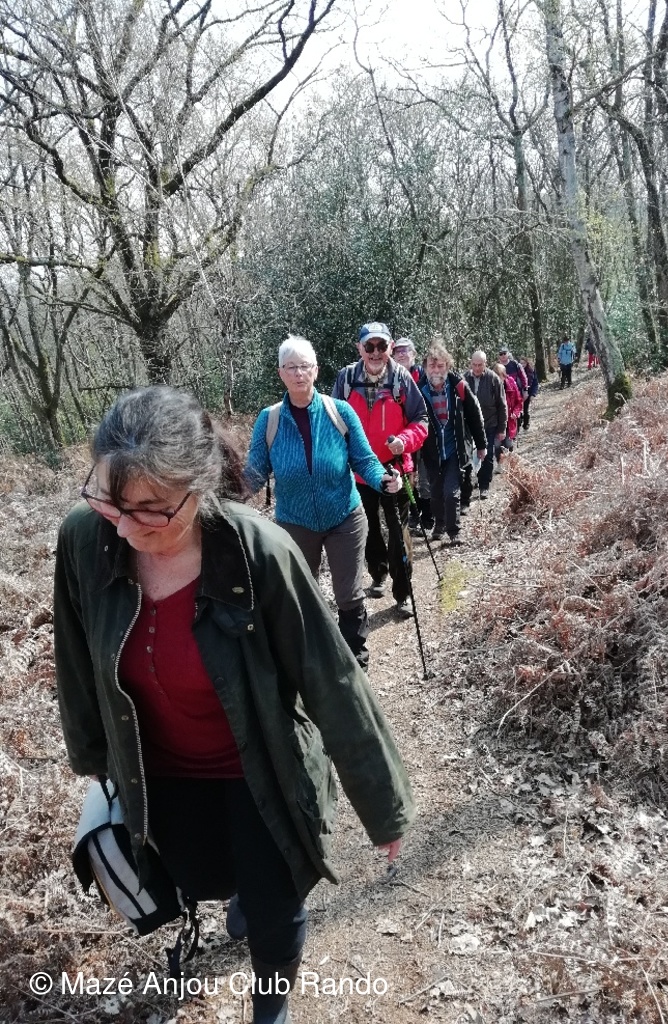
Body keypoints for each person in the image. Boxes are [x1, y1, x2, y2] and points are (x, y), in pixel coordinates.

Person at [53, 385, 415, 1024]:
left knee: (273, 902)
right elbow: (76, 655)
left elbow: (331, 679)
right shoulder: (86, 537)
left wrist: (384, 808)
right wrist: (94, 759)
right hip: (162, 769)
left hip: (260, 766)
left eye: (150, 511)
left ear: (199, 490)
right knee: (199, 874)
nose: (126, 527)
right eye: (111, 502)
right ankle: (242, 890)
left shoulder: (258, 552)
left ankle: (270, 1004)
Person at [244, 336, 402, 671]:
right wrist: (226, 496)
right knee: (302, 595)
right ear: (280, 373)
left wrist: (383, 480)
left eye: (304, 366)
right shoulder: (269, 420)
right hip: (295, 522)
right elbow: (254, 473)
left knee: (348, 594)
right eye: (290, 367)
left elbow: (365, 460)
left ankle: (356, 663)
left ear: (315, 370)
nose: (298, 373)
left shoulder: (339, 412)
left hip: (344, 516)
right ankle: (313, 664)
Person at [332, 322, 428, 618]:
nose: (375, 352)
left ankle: (403, 593)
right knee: (368, 527)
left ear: (390, 347)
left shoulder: (401, 379)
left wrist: (404, 441)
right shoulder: (346, 379)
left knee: (399, 532)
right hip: (359, 471)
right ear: (359, 348)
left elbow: (421, 419)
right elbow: (333, 421)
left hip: (395, 469)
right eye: (369, 346)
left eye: (381, 346)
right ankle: (378, 573)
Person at [417, 338, 486, 545]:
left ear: (447, 366)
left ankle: (454, 531)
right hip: (432, 452)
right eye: (432, 366)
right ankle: (439, 525)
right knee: (435, 492)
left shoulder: (459, 388)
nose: (436, 370)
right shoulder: (418, 392)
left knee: (451, 492)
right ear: (426, 367)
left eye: (440, 366)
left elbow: (474, 416)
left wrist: (481, 445)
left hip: (455, 448)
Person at [392, 337, 433, 531]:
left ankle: (428, 516)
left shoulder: (424, 376)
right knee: (410, 478)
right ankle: (415, 516)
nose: (401, 354)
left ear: (414, 354)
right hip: (402, 437)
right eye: (397, 351)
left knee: (425, 478)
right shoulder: (390, 377)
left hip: (424, 434)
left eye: (405, 350)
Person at [462, 350, 507, 502]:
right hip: (469, 425)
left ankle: (484, 485)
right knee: (468, 455)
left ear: (485, 364)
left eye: (480, 365)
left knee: (486, 455)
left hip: (489, 423)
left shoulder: (493, 379)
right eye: (474, 365)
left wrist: (502, 428)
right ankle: (468, 485)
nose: (476, 368)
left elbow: (502, 405)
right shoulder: (464, 378)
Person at [494, 362, 523, 456]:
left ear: (504, 375)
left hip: (510, 420)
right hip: (496, 422)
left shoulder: (511, 383)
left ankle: (510, 461)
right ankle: (499, 462)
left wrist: (515, 412)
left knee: (508, 443)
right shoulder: (490, 385)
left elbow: (519, 401)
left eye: (499, 376)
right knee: (497, 444)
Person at [519, 356, 539, 430]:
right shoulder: (517, 371)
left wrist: (533, 394)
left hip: (528, 392)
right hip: (519, 392)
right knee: (519, 409)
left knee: (525, 409)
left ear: (527, 363)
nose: (522, 365)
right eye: (521, 363)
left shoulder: (531, 371)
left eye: (523, 363)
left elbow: (535, 383)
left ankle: (526, 423)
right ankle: (519, 421)